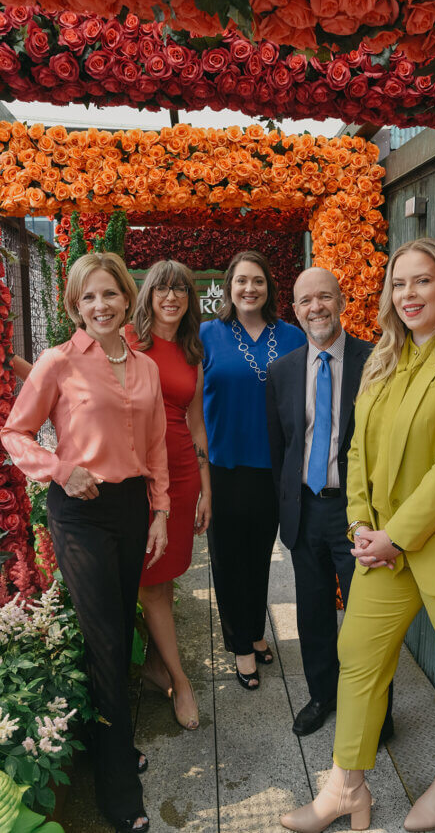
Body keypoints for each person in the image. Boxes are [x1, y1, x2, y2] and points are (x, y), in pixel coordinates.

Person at [280, 238, 435, 833]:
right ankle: (347, 788)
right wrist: (362, 525)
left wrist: (395, 534)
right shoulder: (382, 359)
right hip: (380, 546)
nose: (409, 294)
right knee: (359, 656)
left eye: (422, 282)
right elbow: (358, 451)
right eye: (399, 284)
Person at [1, 252, 169, 833]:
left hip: (130, 508)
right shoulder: (58, 361)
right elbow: (14, 432)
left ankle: (109, 745)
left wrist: (162, 511)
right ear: (75, 305)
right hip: (80, 509)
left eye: (109, 295)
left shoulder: (145, 368)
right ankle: (120, 791)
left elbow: (155, 450)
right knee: (102, 638)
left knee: (121, 631)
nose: (100, 306)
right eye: (87, 298)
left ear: (126, 298)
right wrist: (58, 468)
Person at [266, 267, 394, 739]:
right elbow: (280, 447)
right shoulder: (282, 372)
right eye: (305, 301)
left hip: (359, 513)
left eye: (324, 297)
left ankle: (377, 709)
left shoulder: (378, 359)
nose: (315, 307)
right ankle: (322, 696)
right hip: (306, 510)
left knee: (367, 620)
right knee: (313, 612)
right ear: (294, 311)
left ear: (341, 301)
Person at [200, 250, 306, 690]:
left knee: (260, 556)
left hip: (273, 467)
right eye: (241, 281)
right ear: (228, 287)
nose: (249, 289)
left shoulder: (294, 337)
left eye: (258, 281)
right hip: (223, 466)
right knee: (228, 560)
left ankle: (257, 630)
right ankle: (241, 644)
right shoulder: (206, 334)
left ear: (269, 288)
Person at [125, 259, 211, 730]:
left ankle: (163, 668)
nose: (172, 297)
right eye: (163, 289)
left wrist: (207, 491)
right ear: (149, 295)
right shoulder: (126, 341)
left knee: (163, 576)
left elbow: (197, 424)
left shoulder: (191, 350)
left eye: (180, 289)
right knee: (146, 578)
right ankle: (177, 676)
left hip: (181, 471)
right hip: (133, 473)